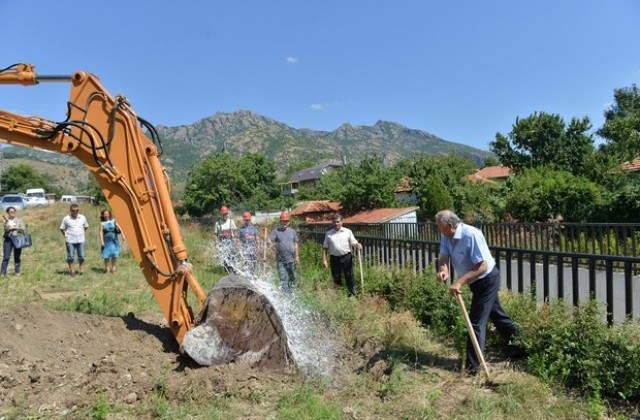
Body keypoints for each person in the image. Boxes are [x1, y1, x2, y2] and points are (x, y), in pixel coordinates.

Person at [435, 209, 523, 375]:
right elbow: (444, 257)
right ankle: (519, 345)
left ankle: (472, 368)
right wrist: (443, 270)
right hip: (475, 282)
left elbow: (482, 265)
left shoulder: (472, 234)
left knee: (475, 321)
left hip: (487, 279)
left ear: (450, 225)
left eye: (440, 227)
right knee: (496, 313)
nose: (438, 230)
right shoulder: (446, 236)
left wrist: (459, 281)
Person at [322, 213, 362, 297]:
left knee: (349, 276)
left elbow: (353, 242)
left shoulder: (347, 232)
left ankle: (352, 295)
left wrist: (357, 245)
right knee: (336, 277)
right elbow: (325, 247)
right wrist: (324, 260)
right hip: (334, 259)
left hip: (346, 257)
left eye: (338, 222)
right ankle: (339, 295)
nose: (336, 224)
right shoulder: (328, 234)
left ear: (341, 222)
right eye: (334, 222)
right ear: (332, 223)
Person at [269, 212, 299, 293]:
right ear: (280, 222)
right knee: (283, 279)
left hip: (292, 260)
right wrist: (269, 244)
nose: (285, 223)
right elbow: (270, 241)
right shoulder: (275, 231)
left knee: (293, 277)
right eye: (283, 221)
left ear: (288, 222)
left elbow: (295, 244)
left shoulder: (292, 231)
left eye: (286, 221)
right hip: (281, 260)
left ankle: (292, 292)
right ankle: (286, 297)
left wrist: (297, 256)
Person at [60, 203, 89, 275]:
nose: (75, 212)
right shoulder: (66, 218)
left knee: (81, 256)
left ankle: (81, 271)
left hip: (81, 240)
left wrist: (81, 232)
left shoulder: (82, 217)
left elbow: (86, 226)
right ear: (70, 210)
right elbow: (62, 228)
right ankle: (72, 271)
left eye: (77, 210)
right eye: (73, 210)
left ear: (78, 210)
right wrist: (66, 235)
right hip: (70, 240)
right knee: (70, 256)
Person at [1, 206, 25, 276]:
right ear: (8, 212)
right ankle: (3, 273)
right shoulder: (5, 220)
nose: (12, 213)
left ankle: (17, 272)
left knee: (17, 256)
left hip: (17, 239)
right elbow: (6, 229)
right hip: (8, 240)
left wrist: (15, 228)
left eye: (13, 211)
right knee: (6, 257)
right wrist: (11, 227)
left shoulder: (19, 220)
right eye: (11, 212)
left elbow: (22, 228)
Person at [214, 205, 237, 274]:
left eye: (226, 214)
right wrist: (216, 242)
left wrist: (236, 239)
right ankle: (227, 273)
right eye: (223, 214)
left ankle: (233, 272)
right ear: (221, 214)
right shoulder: (218, 224)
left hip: (230, 243)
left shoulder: (231, 222)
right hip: (222, 244)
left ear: (227, 214)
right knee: (225, 260)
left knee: (232, 258)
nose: (225, 215)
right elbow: (215, 234)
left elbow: (235, 232)